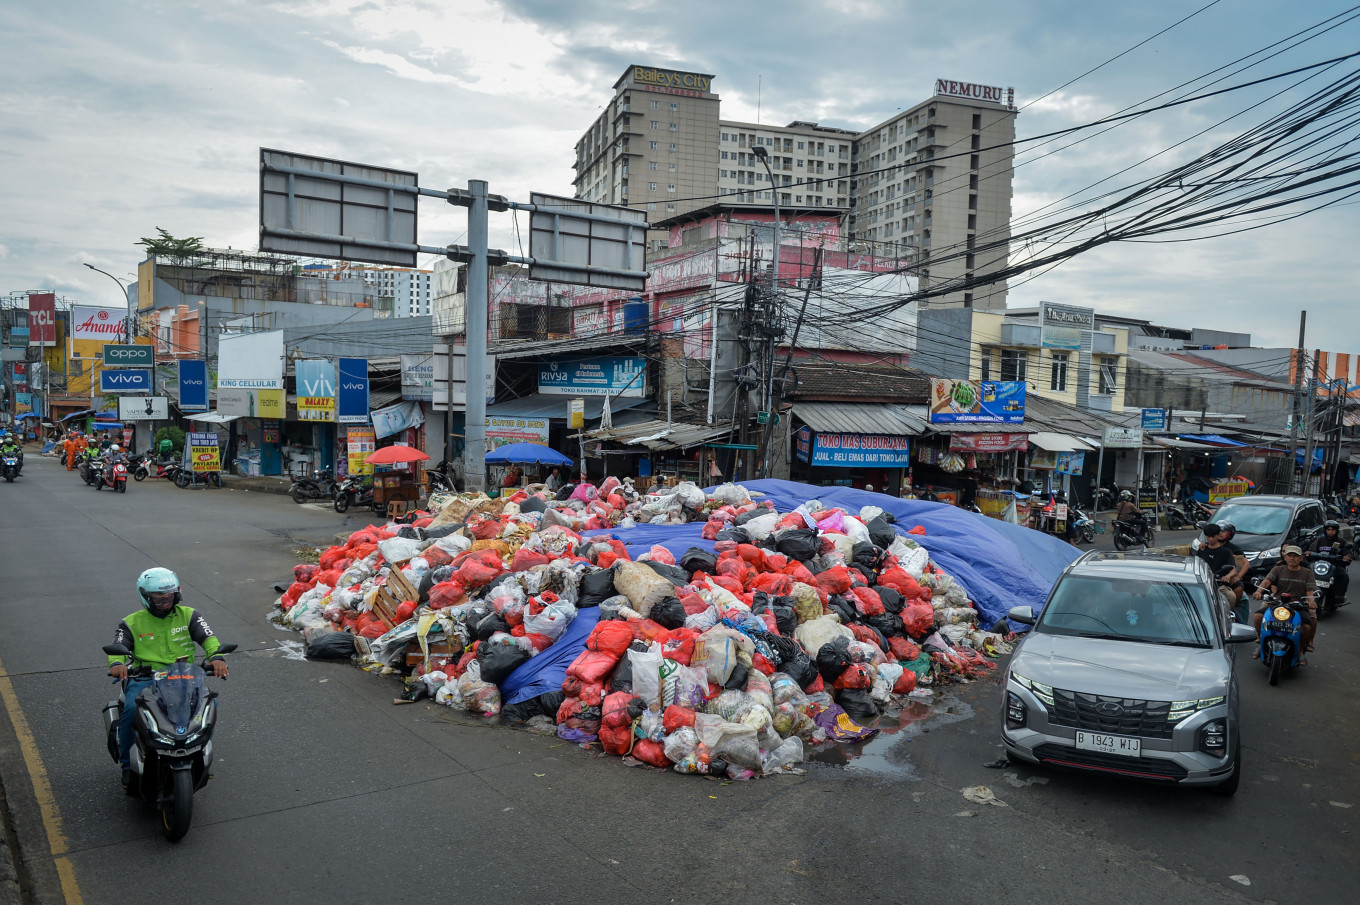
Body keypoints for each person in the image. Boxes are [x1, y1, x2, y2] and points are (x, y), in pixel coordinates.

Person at [107, 568, 227, 788]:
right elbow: (119, 646)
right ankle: (126, 765)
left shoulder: (190, 615)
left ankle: (200, 757)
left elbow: (208, 638)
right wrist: (116, 663)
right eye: (158, 598)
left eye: (168, 597)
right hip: (146, 679)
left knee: (209, 706)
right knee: (132, 711)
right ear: (145, 597)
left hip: (184, 677)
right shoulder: (131, 622)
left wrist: (216, 657)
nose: (164, 602)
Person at [1251, 545, 1317, 665]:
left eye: (1295, 556)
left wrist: (1311, 601)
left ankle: (1300, 650)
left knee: (1306, 627)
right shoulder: (1278, 569)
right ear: (1285, 557)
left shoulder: (1307, 573)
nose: (1292, 558)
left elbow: (1310, 591)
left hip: (1298, 605)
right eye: (1290, 556)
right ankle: (1261, 642)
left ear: (1301, 558)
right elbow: (1266, 582)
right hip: (1278, 603)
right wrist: (1258, 591)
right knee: (1258, 617)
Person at [1194, 521, 1248, 611]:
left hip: (1220, 583)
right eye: (1208, 536)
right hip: (1203, 582)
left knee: (1232, 594)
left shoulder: (1229, 551)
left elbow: (1237, 566)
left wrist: (1232, 576)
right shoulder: (1202, 549)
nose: (1210, 539)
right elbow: (1194, 564)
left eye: (1213, 536)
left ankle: (1229, 613)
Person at [1308, 519, 1351, 605]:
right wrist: (1308, 553)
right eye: (1328, 530)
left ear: (1336, 531)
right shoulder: (1320, 540)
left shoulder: (1341, 541)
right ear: (1325, 530)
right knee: (1306, 572)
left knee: (1344, 575)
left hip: (1335, 566)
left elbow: (1347, 553)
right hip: (1319, 566)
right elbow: (1312, 550)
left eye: (1333, 530)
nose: (1330, 532)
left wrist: (1346, 557)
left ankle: (1339, 596)